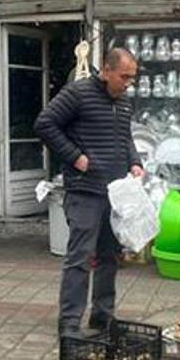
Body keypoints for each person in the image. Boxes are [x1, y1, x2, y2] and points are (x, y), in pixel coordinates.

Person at [35, 47, 144, 337]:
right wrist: (75, 157)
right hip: (84, 190)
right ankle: (69, 321)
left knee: (110, 255)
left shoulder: (123, 102)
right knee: (80, 257)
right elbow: (45, 124)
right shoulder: (78, 93)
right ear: (106, 70)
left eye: (133, 78)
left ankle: (102, 316)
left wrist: (135, 162)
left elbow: (125, 138)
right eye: (124, 77)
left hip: (115, 191)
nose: (128, 83)